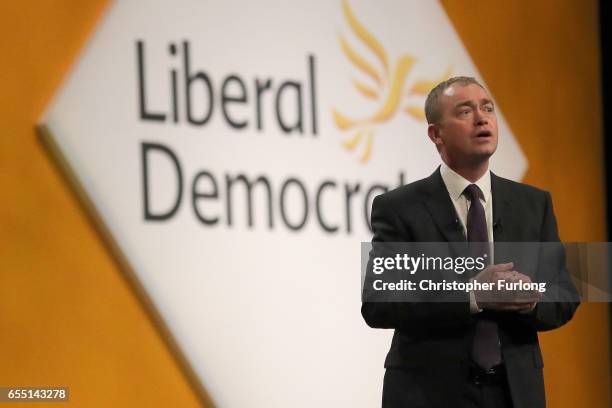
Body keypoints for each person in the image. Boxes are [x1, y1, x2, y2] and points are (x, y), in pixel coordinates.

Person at [361, 76, 579, 408]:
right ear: (436, 134)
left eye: (487, 108)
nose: (482, 118)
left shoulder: (533, 204)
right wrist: (473, 295)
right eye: (465, 111)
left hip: (515, 393)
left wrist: (531, 301)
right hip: (429, 393)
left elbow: (564, 295)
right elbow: (380, 303)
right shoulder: (400, 208)